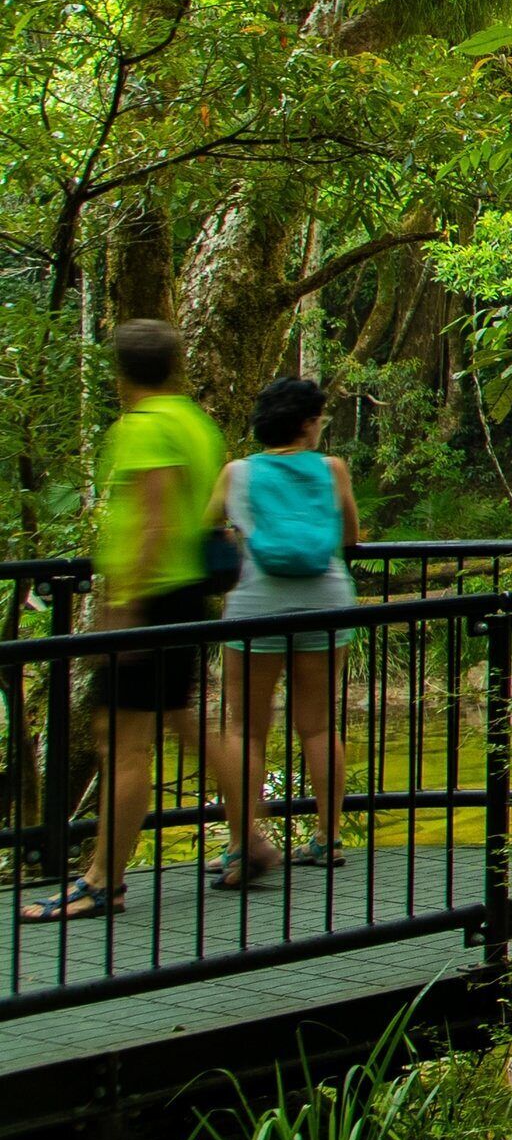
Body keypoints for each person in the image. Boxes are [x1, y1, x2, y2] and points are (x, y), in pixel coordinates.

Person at [23, 318, 267, 920]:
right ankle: (253, 839)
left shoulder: (145, 426)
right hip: (183, 595)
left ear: (120, 372)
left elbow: (155, 517)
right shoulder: (195, 422)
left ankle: (102, 881)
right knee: (187, 723)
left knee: (123, 743)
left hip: (153, 597)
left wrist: (123, 604)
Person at [223, 376, 364, 872]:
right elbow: (350, 536)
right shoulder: (332, 469)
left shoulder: (236, 473)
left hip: (255, 606)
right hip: (325, 602)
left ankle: (243, 843)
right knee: (319, 725)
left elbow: (207, 530)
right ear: (307, 424)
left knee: (246, 729)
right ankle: (328, 838)